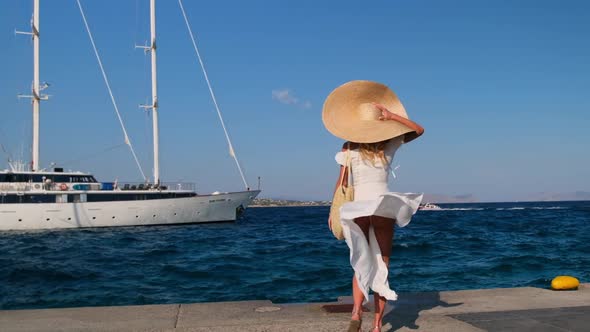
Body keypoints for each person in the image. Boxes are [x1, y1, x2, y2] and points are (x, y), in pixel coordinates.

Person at [322, 80, 424, 332]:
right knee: (382, 265)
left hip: (358, 209)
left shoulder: (348, 149)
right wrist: (391, 116)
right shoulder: (389, 146)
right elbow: (418, 130)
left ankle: (357, 312)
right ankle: (377, 326)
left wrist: (332, 212)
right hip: (383, 208)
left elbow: (341, 184)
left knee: (360, 262)